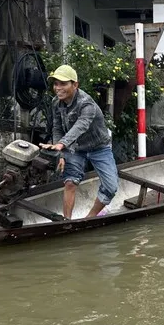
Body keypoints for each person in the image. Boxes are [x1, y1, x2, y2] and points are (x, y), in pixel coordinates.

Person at [39, 64, 118, 219]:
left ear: (75, 85)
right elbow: (57, 128)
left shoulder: (86, 103)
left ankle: (90, 217)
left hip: (99, 147)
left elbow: (81, 125)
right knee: (70, 182)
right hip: (75, 148)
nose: (58, 88)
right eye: (56, 84)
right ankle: (66, 222)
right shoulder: (56, 102)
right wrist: (59, 152)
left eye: (63, 84)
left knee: (111, 187)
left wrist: (61, 144)